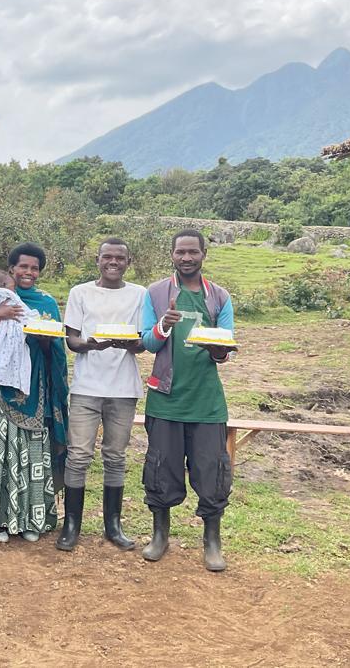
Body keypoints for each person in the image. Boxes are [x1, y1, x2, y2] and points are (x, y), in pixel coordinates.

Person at [0, 242, 68, 542]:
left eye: (34, 268)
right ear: (12, 270)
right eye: (23, 267)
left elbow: (55, 345)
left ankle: (32, 519)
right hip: (1, 385)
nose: (28, 272)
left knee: (32, 448)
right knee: (0, 447)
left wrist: (44, 340)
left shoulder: (45, 303)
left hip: (36, 387)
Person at [139, 229, 235, 571]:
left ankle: (212, 540)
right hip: (165, 399)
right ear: (172, 255)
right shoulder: (155, 293)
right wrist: (164, 324)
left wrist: (217, 348)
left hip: (207, 403)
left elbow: (226, 349)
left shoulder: (220, 297)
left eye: (193, 251)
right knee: (161, 468)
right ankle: (160, 535)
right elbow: (147, 343)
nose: (186, 257)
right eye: (180, 252)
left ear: (204, 254)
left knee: (212, 471)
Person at [57, 238, 146, 552]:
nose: (113, 262)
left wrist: (130, 344)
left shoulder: (140, 294)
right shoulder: (80, 293)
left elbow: (142, 341)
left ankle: (113, 524)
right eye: (107, 257)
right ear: (97, 260)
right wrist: (92, 344)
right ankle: (71, 525)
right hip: (86, 387)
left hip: (123, 388)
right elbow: (73, 340)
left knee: (115, 456)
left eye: (119, 258)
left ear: (128, 261)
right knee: (78, 455)